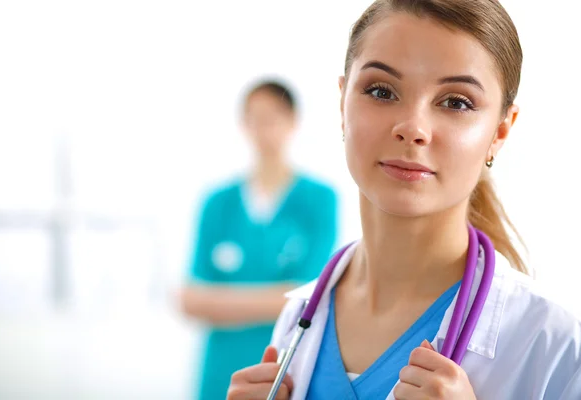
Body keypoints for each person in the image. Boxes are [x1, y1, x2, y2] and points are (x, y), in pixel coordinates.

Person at [226, 1, 581, 399]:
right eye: (381, 91)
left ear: (499, 132)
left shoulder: (553, 343)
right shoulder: (298, 321)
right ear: (343, 103)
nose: (412, 127)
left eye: (456, 102)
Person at [178, 79, 339, 400]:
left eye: (272, 118)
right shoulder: (217, 203)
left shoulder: (319, 199)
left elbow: (309, 297)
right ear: (243, 125)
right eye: (254, 118)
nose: (263, 129)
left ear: (293, 122)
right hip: (219, 371)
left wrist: (219, 303)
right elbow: (190, 299)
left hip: (286, 367)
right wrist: (278, 297)